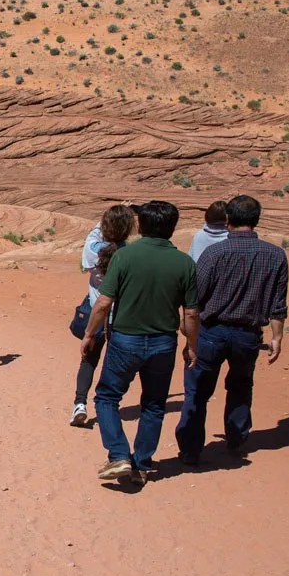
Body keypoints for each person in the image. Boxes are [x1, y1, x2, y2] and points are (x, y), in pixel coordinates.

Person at [82, 201, 198, 486]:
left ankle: (119, 454)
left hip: (125, 340)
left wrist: (88, 334)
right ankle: (142, 465)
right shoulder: (184, 263)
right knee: (154, 405)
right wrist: (191, 345)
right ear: (172, 228)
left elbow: (103, 303)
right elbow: (191, 313)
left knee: (107, 397)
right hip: (164, 343)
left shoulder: (125, 257)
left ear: (141, 226)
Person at [175, 196, 288, 465]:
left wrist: (187, 332)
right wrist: (277, 337)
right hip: (248, 335)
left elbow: (194, 299)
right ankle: (236, 438)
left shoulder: (213, 254)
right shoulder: (275, 255)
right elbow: (278, 303)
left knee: (197, 390)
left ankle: (190, 450)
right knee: (240, 385)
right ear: (256, 221)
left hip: (211, 332)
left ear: (228, 221)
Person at [71, 205, 136, 427]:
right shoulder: (129, 254)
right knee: (114, 362)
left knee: (89, 360)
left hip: (97, 313)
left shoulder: (92, 249)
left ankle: (80, 403)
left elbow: (94, 232)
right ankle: (108, 404)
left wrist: (109, 218)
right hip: (121, 315)